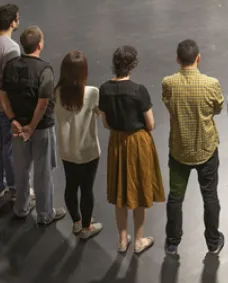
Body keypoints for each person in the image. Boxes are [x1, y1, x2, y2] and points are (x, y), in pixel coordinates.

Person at [98, 46, 165, 255]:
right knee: (139, 189)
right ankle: (138, 240)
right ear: (132, 65)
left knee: (120, 192)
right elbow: (151, 124)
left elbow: (106, 123)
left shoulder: (104, 89)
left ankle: (121, 239)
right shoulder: (138, 90)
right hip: (137, 143)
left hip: (117, 143)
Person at [162, 39, 225, 256]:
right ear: (198, 58)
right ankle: (213, 241)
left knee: (175, 198)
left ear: (178, 60)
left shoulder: (168, 83)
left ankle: (172, 241)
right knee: (210, 197)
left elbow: (168, 104)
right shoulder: (212, 84)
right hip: (206, 150)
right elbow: (218, 108)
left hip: (179, 151)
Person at [0, 27, 66, 224]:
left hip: (17, 128)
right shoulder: (44, 69)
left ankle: (21, 207)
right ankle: (45, 214)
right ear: (39, 45)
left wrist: (13, 120)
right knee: (43, 170)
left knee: (21, 169)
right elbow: (43, 101)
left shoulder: (10, 66)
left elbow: (3, 94)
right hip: (40, 129)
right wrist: (32, 126)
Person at [55, 51, 103, 239]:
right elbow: (100, 112)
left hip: (67, 151)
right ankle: (86, 227)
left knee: (70, 186)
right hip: (88, 151)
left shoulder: (56, 93)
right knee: (87, 189)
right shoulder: (91, 92)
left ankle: (76, 222)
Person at [0, 4, 19, 201]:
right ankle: (15, 187)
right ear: (13, 22)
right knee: (9, 147)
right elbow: (13, 81)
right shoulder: (12, 49)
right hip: (5, 106)